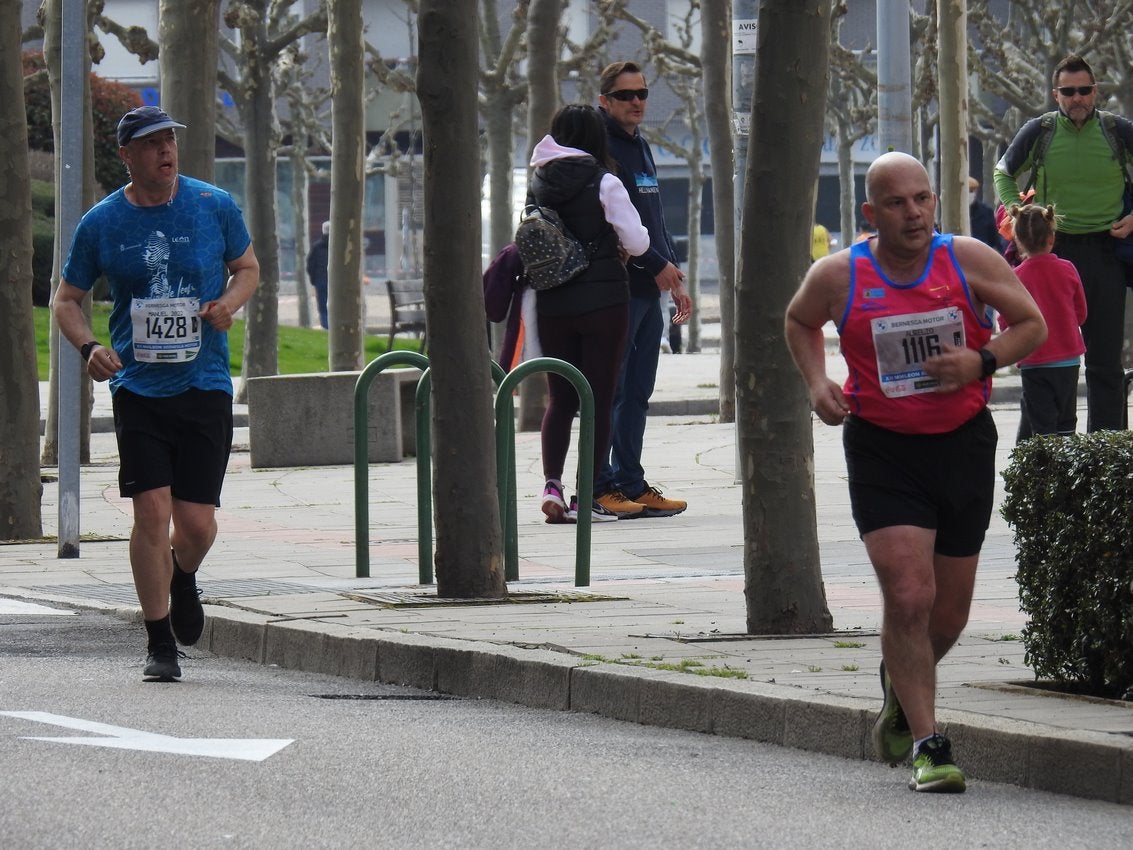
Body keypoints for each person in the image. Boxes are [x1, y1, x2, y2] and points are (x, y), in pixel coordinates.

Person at [784, 152, 1046, 793]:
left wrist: (981, 360)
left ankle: (900, 685)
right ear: (873, 214)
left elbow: (1033, 325)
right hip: (883, 448)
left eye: (923, 199)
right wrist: (818, 383)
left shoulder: (968, 259)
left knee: (948, 615)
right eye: (898, 203)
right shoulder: (840, 273)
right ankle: (930, 745)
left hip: (961, 444)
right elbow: (798, 320)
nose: (914, 214)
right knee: (908, 596)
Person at [53, 106, 260, 682]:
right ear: (127, 156)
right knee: (151, 511)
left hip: (205, 383)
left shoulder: (214, 205)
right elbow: (66, 299)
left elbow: (247, 267)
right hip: (138, 389)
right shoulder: (101, 223)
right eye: (151, 143)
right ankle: (159, 642)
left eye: (170, 139)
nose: (165, 151)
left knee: (195, 525)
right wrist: (91, 346)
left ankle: (182, 573)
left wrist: (228, 304)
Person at [994, 54, 1133, 431]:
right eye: (1069, 92)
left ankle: (1105, 458)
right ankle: (1050, 454)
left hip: (1107, 253)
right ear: (1056, 95)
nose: (1077, 98)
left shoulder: (1117, 130)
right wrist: (1015, 211)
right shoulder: (1039, 131)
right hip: (1053, 255)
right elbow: (1004, 173)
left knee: (1106, 362)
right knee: (1051, 359)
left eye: (1084, 90)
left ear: (1095, 91)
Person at [526, 104, 650, 524]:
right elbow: (636, 242)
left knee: (559, 398)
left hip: (552, 302)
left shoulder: (538, 182)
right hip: (603, 302)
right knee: (596, 399)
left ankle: (552, 485)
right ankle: (585, 498)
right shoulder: (605, 181)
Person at [594, 60, 693, 519]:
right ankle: (600, 484)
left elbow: (654, 220)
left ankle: (631, 480)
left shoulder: (642, 146)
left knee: (638, 391)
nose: (637, 102)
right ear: (605, 101)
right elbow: (613, 225)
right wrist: (656, 266)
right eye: (626, 95)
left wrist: (673, 274)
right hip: (618, 287)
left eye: (642, 94)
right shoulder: (600, 150)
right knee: (611, 390)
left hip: (650, 288)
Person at [1000, 204, 1087, 441]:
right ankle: (1065, 471)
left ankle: (1041, 472)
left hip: (1034, 361)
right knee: (1067, 421)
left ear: (1017, 239)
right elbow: (1081, 313)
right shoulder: (1067, 269)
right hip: (1069, 359)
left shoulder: (1016, 277)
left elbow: (1005, 320)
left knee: (1042, 425)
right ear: (1052, 237)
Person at [967, 177, 1003, 251]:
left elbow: (994, 240)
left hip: (981, 254)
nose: (969, 194)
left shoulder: (986, 212)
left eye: (971, 191)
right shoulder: (951, 213)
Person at [306, 220, 330, 329]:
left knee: (322, 305)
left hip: (321, 280)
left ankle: (326, 326)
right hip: (336, 282)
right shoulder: (339, 247)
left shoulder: (316, 247)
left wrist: (313, 280)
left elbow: (310, 265)